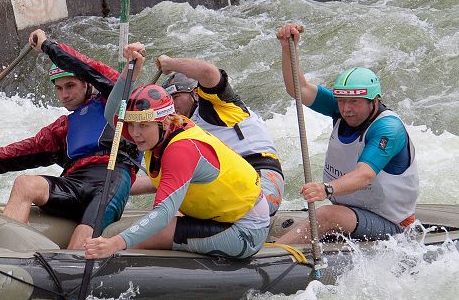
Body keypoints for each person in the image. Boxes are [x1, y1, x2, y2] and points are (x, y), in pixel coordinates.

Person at [0, 29, 140, 250]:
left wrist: (47, 46)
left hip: (111, 180)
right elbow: (11, 155)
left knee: (79, 244)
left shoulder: (116, 102)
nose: (64, 95)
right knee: (25, 183)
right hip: (74, 184)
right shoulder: (62, 129)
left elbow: (87, 67)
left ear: (87, 84)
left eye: (70, 85)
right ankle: (7, 257)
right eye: (59, 88)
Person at [84, 43, 270, 261]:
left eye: (143, 126)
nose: (135, 134)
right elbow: (111, 113)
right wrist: (131, 70)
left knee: (130, 237)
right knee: (129, 235)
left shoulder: (181, 148)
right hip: (216, 218)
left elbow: (163, 214)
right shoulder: (153, 131)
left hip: (245, 230)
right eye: (132, 125)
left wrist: (114, 244)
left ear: (165, 122)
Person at [274, 23, 419, 244]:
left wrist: (327, 189)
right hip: (355, 211)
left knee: (325, 215)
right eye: (341, 101)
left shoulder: (388, 128)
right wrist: (288, 49)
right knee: (324, 215)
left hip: (391, 223)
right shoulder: (341, 108)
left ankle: (271, 257)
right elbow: (299, 89)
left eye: (354, 102)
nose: (346, 109)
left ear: (375, 101)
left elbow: (365, 175)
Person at [146, 56, 285, 216]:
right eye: (168, 100)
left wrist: (170, 63)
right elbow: (167, 178)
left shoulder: (218, 106)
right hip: (230, 180)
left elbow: (208, 72)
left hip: (261, 176)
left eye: (176, 97)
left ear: (195, 95)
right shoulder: (179, 131)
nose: (172, 105)